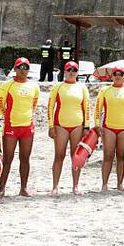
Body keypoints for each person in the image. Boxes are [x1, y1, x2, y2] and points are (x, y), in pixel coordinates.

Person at [0, 57, 40, 200]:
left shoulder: (34, 86)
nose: (23, 70)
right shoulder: (6, 85)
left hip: (27, 126)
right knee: (8, 159)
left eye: (26, 67)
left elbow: (34, 104)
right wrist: (8, 117)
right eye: (20, 67)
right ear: (14, 69)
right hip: (11, 126)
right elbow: (0, 105)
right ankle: (1, 189)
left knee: (25, 158)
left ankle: (23, 188)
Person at [47, 61, 90, 196]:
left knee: (76, 156)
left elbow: (87, 107)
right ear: (64, 72)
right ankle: (55, 186)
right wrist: (51, 126)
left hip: (77, 125)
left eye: (74, 70)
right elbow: (50, 106)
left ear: (77, 73)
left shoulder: (82, 87)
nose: (71, 72)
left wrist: (86, 126)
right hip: (61, 125)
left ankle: (75, 186)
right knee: (59, 156)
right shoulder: (58, 87)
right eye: (69, 70)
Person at [94, 66, 124, 192]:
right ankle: (104, 184)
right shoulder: (105, 90)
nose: (118, 76)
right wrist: (97, 124)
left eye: (121, 74)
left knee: (121, 156)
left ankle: (120, 184)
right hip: (109, 127)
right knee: (107, 156)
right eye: (115, 74)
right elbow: (98, 108)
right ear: (111, 76)